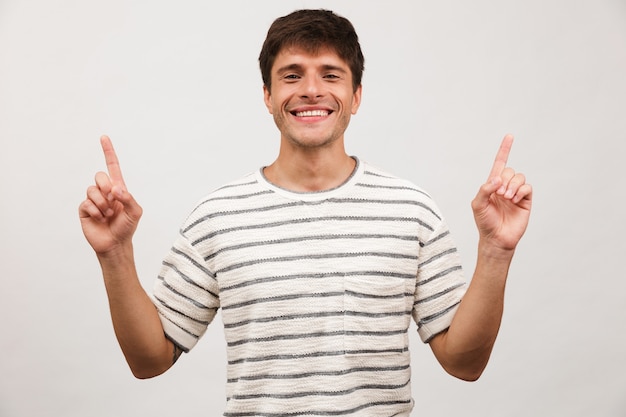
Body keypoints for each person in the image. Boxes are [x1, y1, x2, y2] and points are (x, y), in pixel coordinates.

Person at [79, 9, 532, 416]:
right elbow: (148, 360)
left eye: (331, 75)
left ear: (356, 96)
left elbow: (465, 364)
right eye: (292, 75)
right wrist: (115, 253)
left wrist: (495, 251)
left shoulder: (412, 211)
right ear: (268, 94)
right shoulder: (216, 217)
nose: (311, 90)